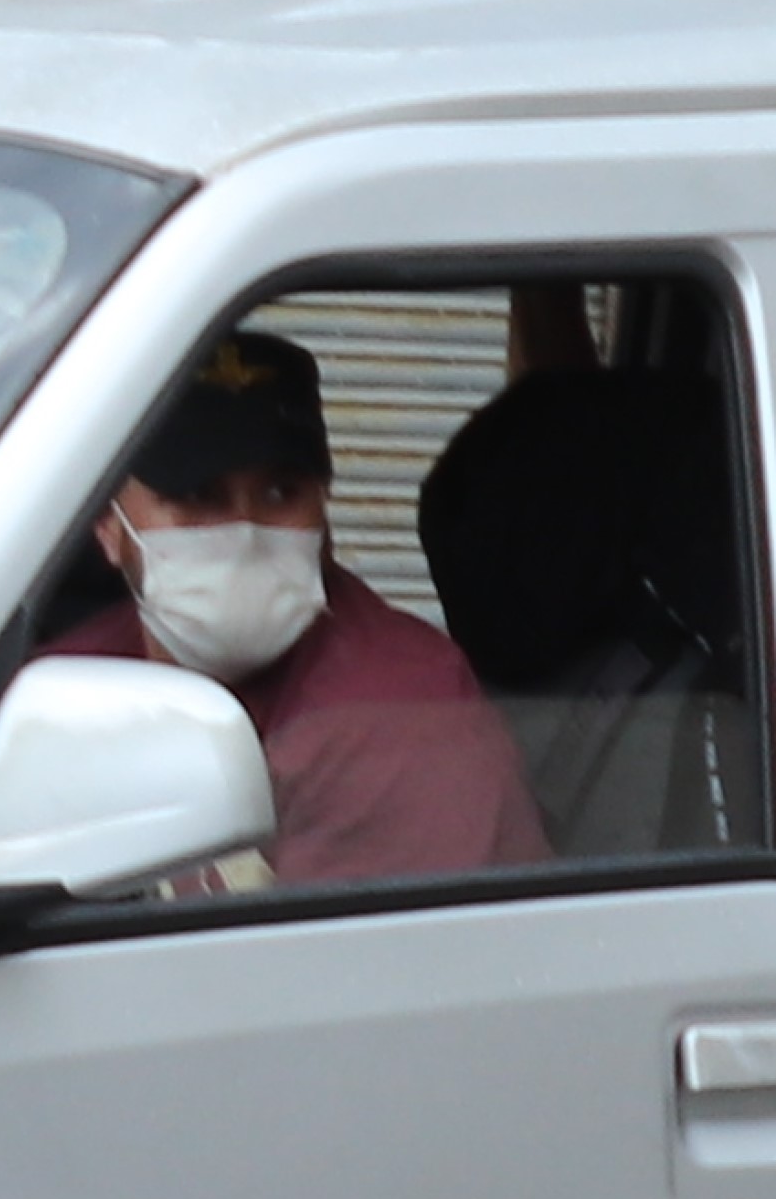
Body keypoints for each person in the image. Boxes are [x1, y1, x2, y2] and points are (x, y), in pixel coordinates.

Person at [44, 326, 545, 890]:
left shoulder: (395, 716)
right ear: (108, 524)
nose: (244, 532)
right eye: (197, 496)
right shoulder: (69, 685)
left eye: (280, 493)